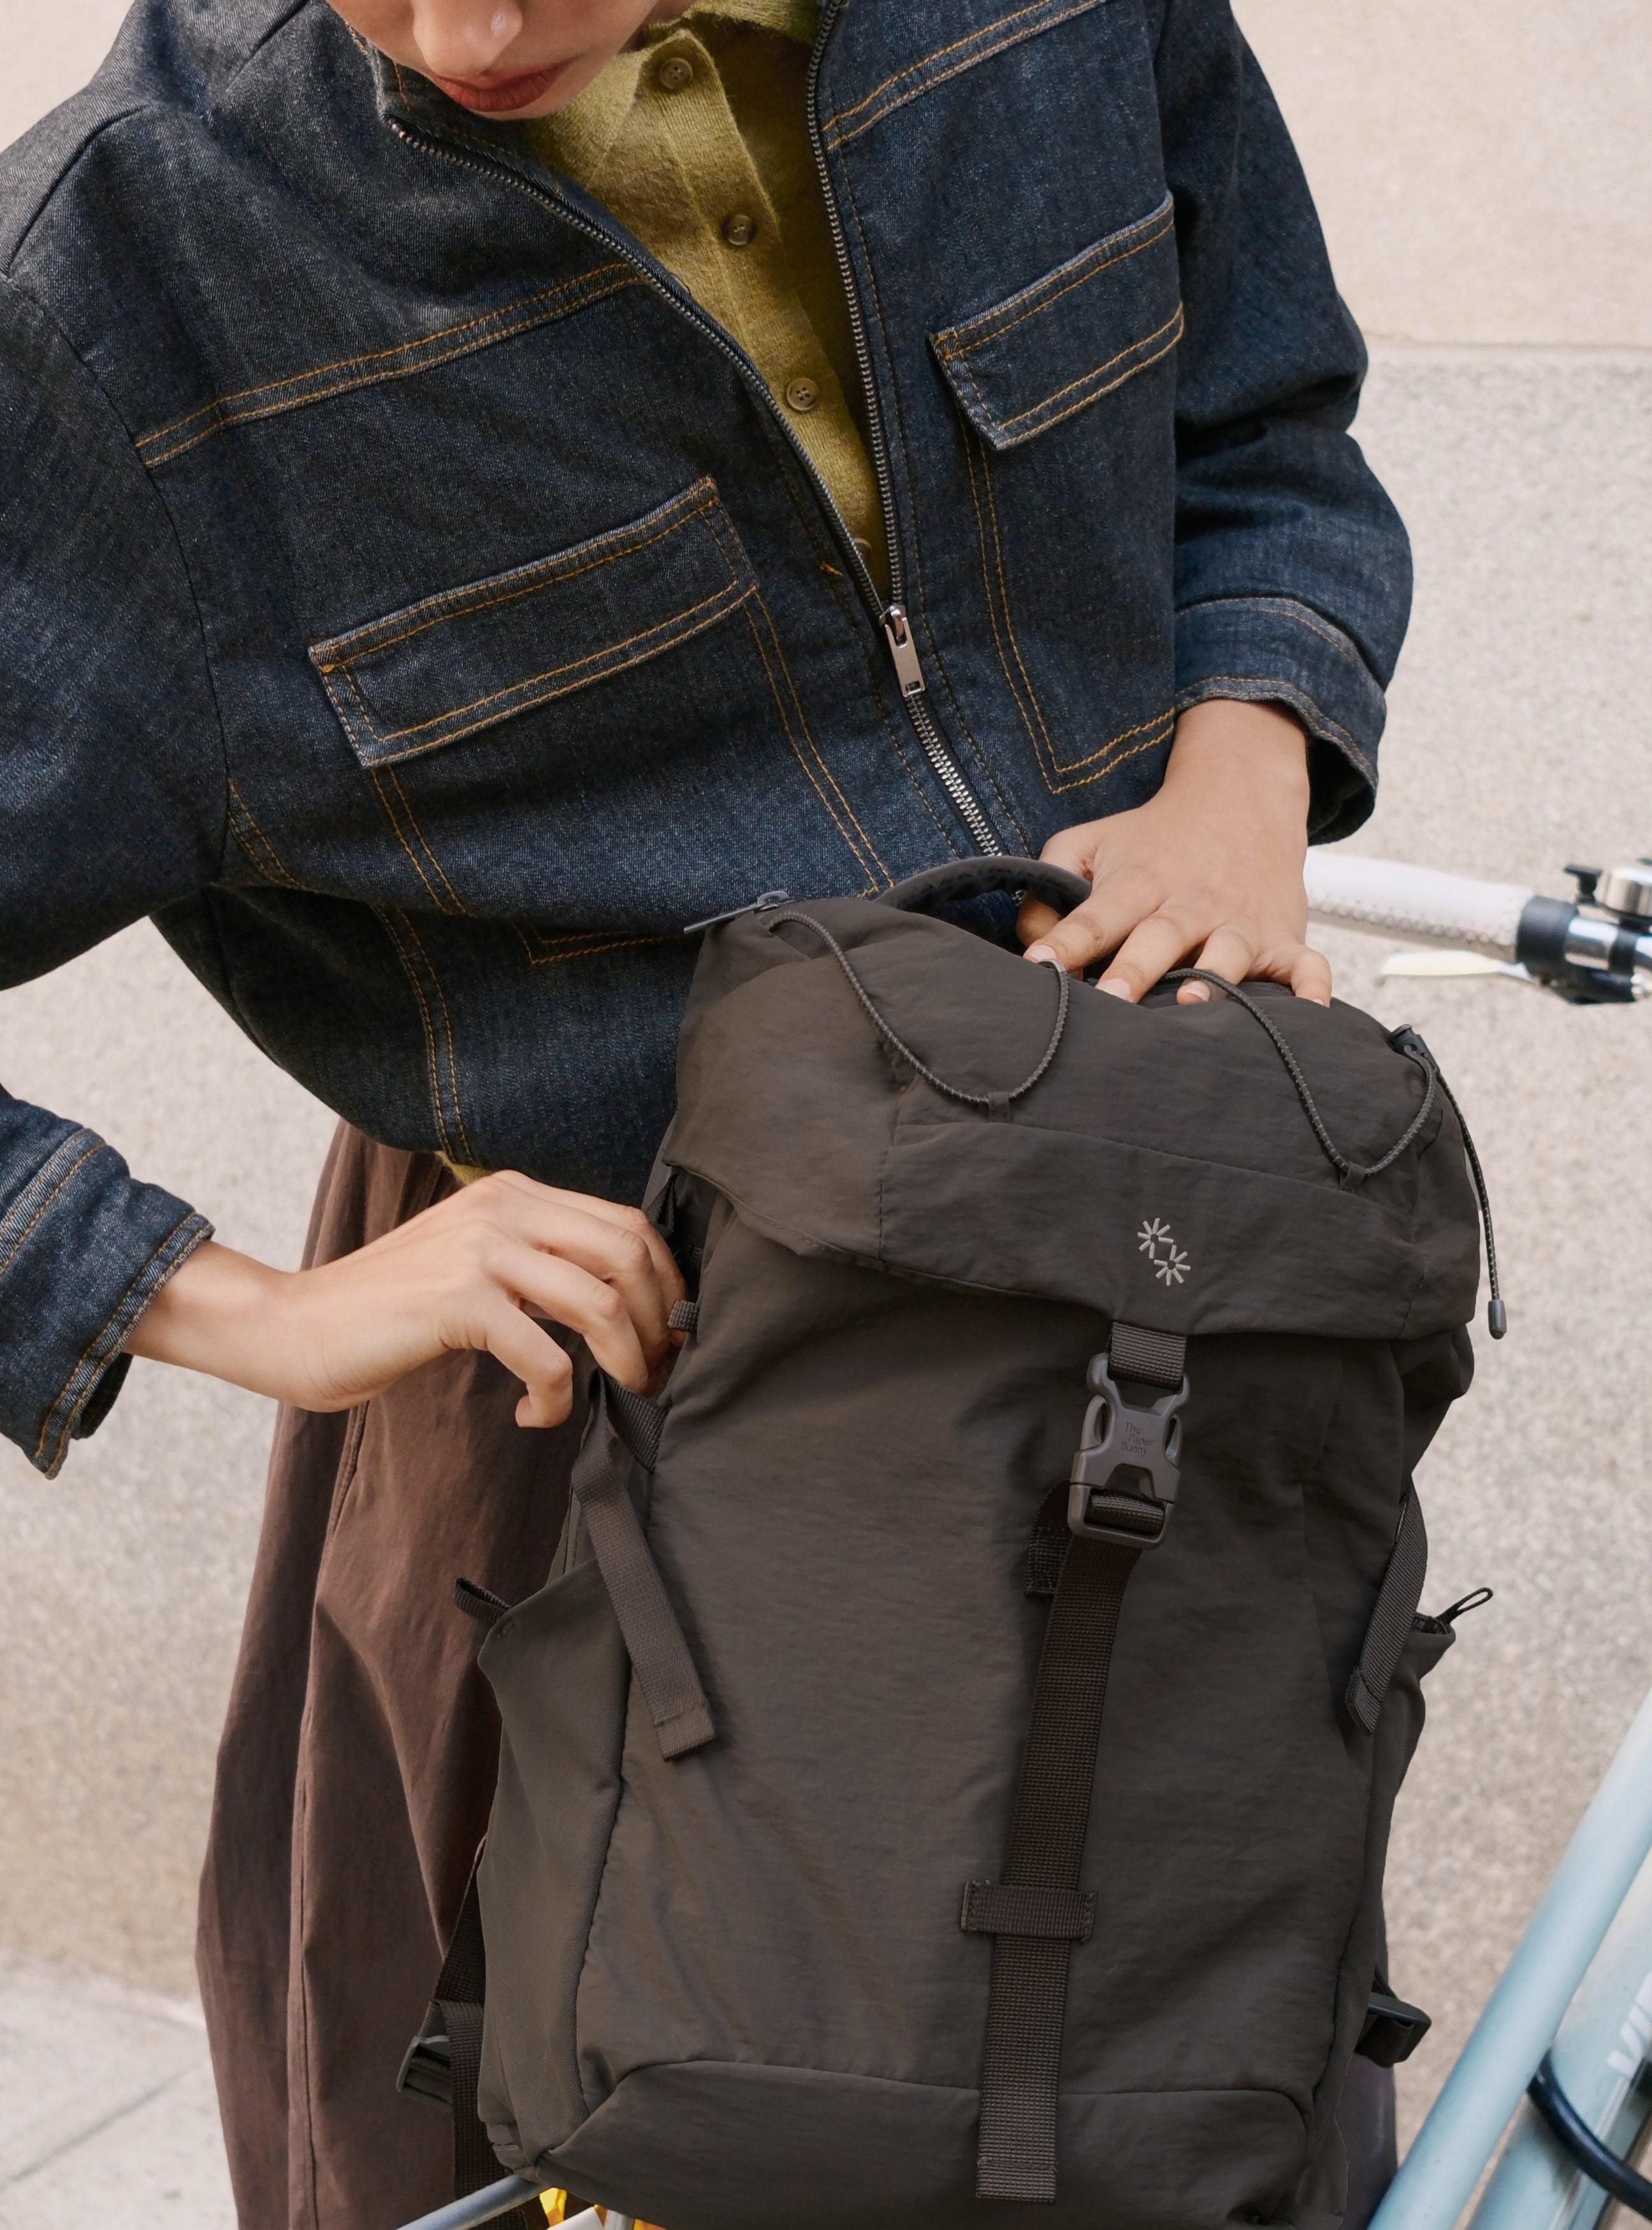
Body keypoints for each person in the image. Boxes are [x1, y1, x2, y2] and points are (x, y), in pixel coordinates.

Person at [0, 0, 1410, 2222]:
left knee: (1193, 2121)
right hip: (609, 1435)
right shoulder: (127, 293)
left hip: (1170, 1361)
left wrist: (1247, 748)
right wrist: (243, 1305)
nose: (470, 30)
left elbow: (1258, 408)